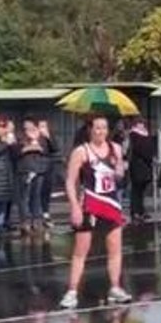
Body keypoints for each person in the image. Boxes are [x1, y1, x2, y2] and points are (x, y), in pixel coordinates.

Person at [61, 115, 132, 310]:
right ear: (90, 130)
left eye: (104, 128)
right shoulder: (81, 151)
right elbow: (70, 181)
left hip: (111, 203)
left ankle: (115, 287)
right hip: (90, 204)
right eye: (97, 128)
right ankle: (72, 291)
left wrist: (120, 167)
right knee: (80, 251)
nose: (101, 132)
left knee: (115, 249)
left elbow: (119, 177)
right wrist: (74, 206)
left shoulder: (115, 148)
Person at [13, 118, 51, 236]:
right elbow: (14, 153)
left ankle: (37, 220)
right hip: (24, 170)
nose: (28, 130)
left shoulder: (42, 138)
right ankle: (25, 222)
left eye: (31, 127)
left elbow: (51, 150)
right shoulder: (19, 138)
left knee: (36, 196)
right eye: (25, 128)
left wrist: (46, 137)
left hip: (39, 170)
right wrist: (26, 148)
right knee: (24, 197)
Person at [126, 119, 156, 223]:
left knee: (142, 191)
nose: (142, 125)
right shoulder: (134, 135)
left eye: (143, 123)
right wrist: (149, 154)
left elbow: (151, 148)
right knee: (136, 190)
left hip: (146, 166)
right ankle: (135, 212)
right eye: (140, 123)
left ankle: (141, 210)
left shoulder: (146, 134)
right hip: (138, 166)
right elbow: (140, 149)